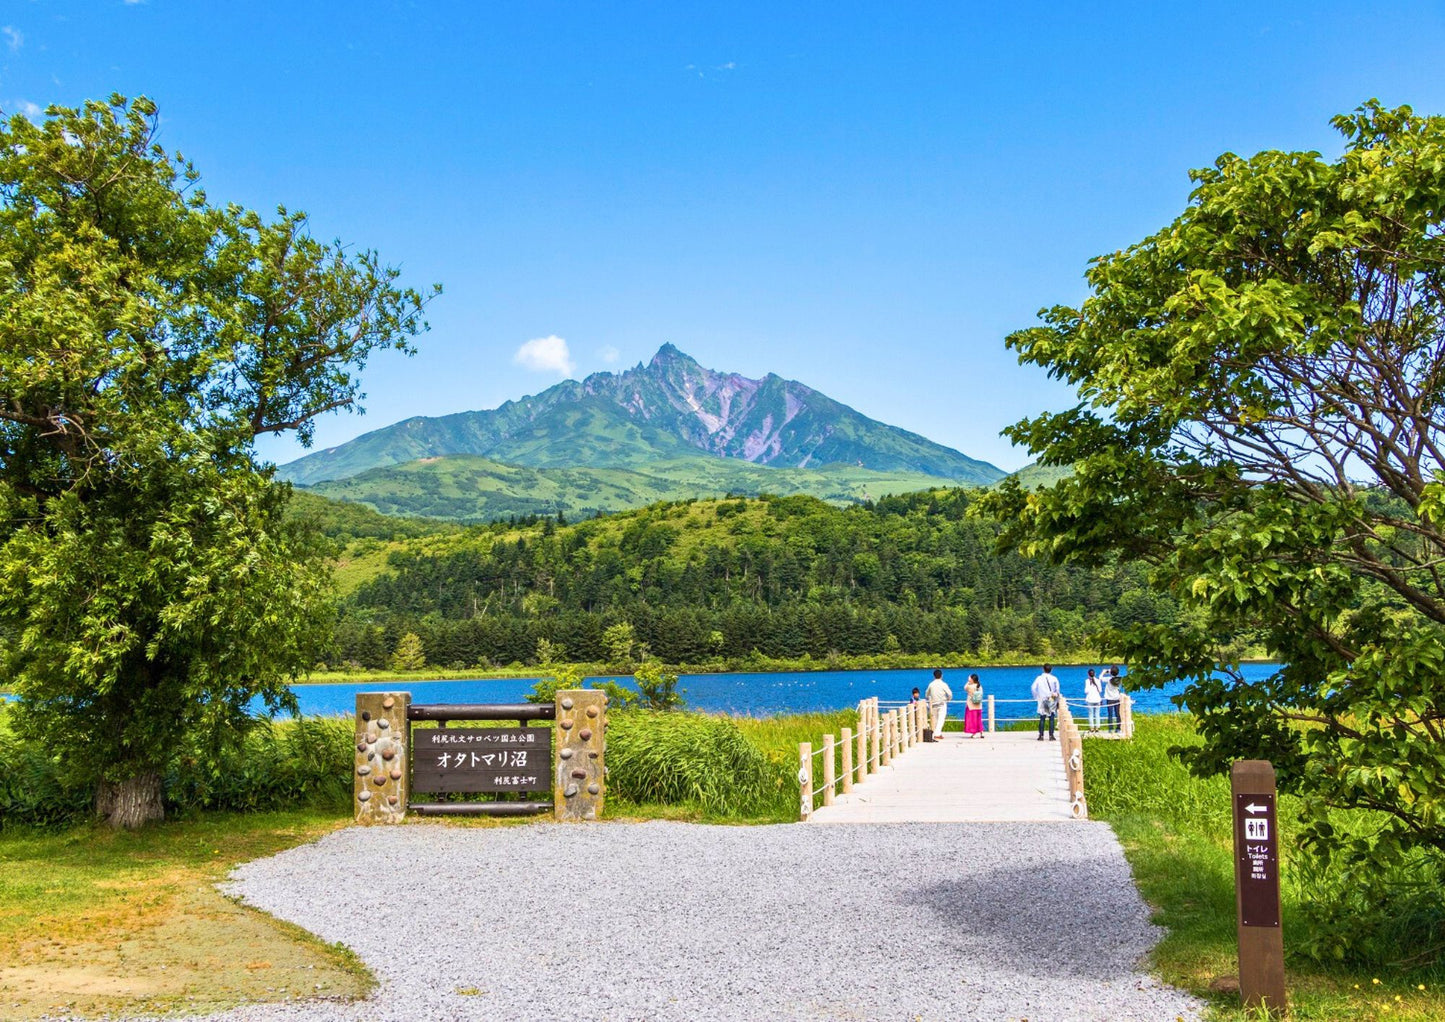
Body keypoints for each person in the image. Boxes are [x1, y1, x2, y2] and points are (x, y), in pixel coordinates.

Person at [1031, 664, 1060, 741]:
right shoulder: (1054, 678)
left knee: (1042, 718)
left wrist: (1036, 696)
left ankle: (1041, 736)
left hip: (1043, 699)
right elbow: (1057, 690)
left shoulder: (1039, 678)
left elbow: (1033, 688)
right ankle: (1051, 736)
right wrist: (1057, 698)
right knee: (1051, 718)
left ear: (1043, 669)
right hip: (1051, 699)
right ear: (1051, 670)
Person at [924, 669, 952, 738]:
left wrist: (929, 698)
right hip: (942, 704)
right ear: (941, 676)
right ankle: (937, 734)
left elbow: (926, 694)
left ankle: (935, 733)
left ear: (934, 676)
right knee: (941, 719)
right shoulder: (943, 684)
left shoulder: (931, 684)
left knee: (935, 720)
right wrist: (948, 700)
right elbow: (950, 694)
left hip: (933, 704)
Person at [963, 673, 985, 738]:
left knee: (972, 720)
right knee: (979, 719)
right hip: (978, 705)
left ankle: (974, 733)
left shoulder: (970, 686)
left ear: (972, 679)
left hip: (971, 705)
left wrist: (968, 681)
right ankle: (981, 732)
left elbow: (964, 688)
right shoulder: (979, 686)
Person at [1103, 665, 1123, 734]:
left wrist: (1104, 672)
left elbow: (1100, 678)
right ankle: (1118, 728)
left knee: (1110, 714)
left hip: (1109, 699)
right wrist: (1111, 672)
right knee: (1118, 714)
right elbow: (1115, 674)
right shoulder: (1119, 679)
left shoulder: (1108, 679)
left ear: (1111, 672)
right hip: (1117, 698)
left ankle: (1110, 729)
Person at [1084, 668, 1102, 733]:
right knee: (1097, 714)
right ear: (1095, 674)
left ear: (1088, 674)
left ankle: (1091, 728)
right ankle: (1097, 727)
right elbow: (1100, 690)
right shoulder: (1098, 680)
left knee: (1090, 714)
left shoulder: (1087, 681)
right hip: (1097, 699)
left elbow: (1086, 691)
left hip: (1090, 700)